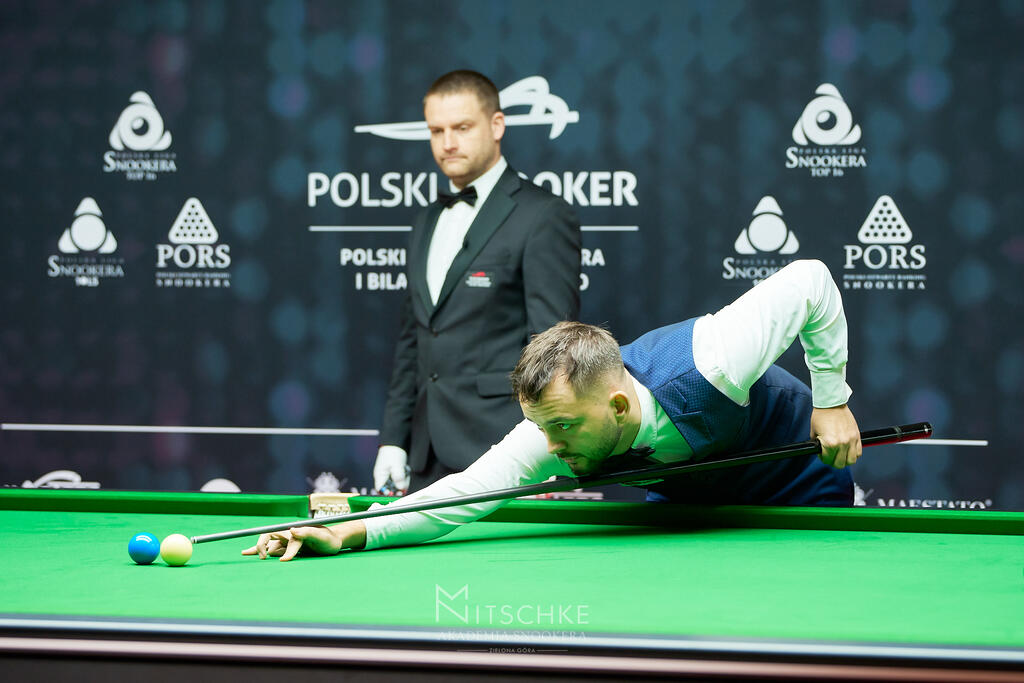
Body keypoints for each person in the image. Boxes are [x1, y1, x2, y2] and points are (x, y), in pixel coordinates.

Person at [245, 259, 863, 562]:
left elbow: (810, 281)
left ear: (617, 405)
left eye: (562, 426)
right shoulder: (555, 430)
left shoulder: (712, 359)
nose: (551, 444)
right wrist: (350, 531)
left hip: (794, 475)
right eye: (542, 426)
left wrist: (832, 400)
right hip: (690, 502)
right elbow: (461, 494)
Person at [373, 69, 581, 494]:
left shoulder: (543, 215)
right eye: (436, 131)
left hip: (502, 454)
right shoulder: (426, 220)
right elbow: (414, 341)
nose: (447, 143)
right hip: (425, 455)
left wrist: (545, 446)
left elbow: (553, 348)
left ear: (497, 125)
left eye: (462, 127)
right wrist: (393, 439)